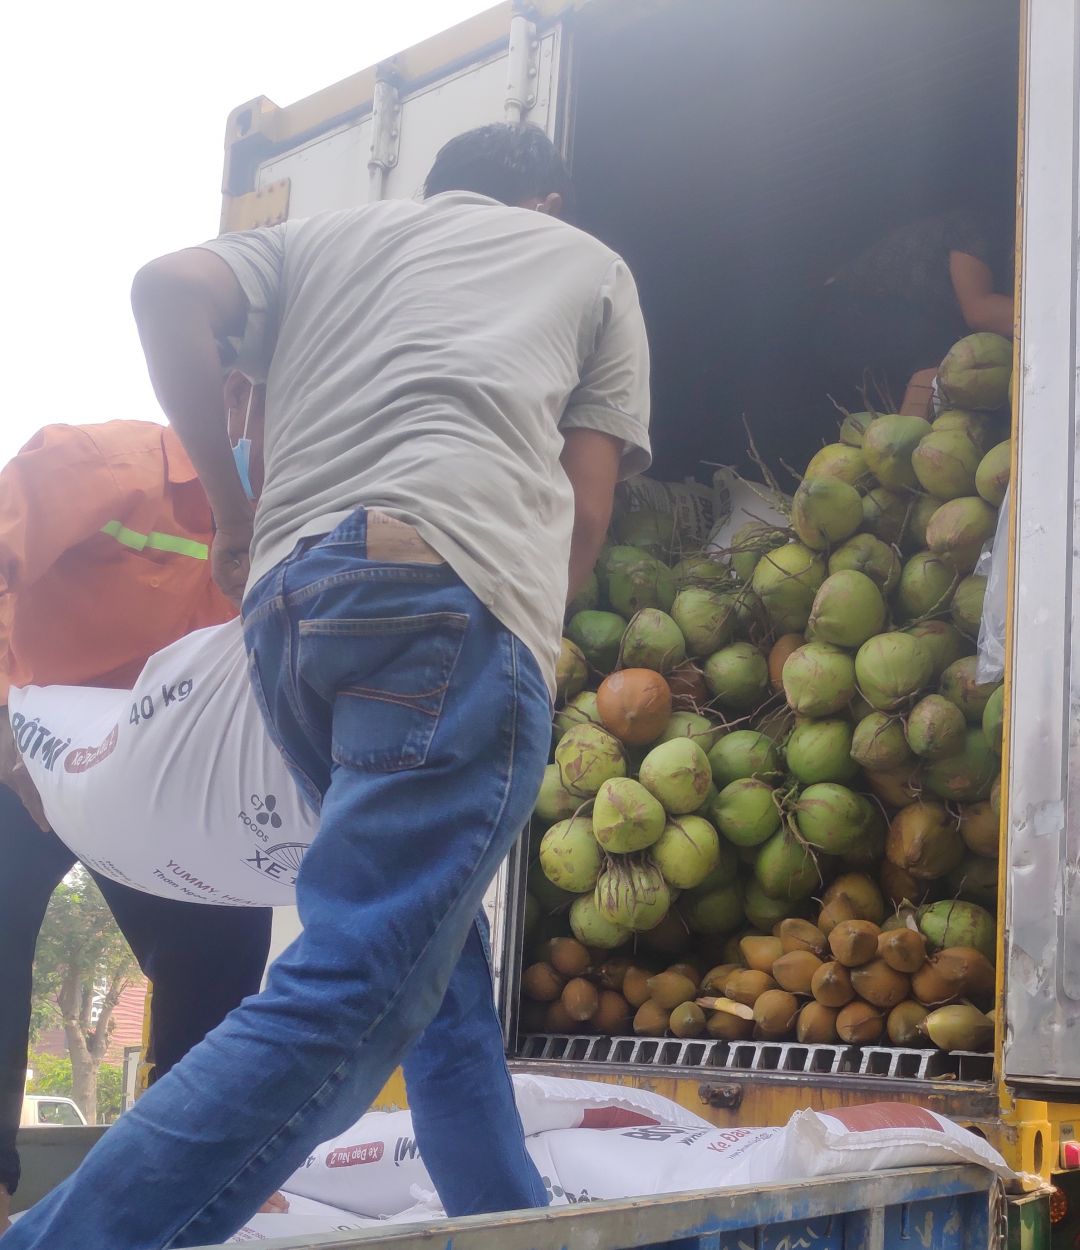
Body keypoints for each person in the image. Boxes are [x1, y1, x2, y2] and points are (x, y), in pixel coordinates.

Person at [0, 123, 651, 1248]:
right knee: (358, 978)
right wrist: (518, 637)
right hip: (444, 597)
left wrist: (236, 513)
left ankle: (506, 1223)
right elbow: (586, 511)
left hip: (294, 614)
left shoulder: (322, 240)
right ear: (544, 201)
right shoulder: (588, 263)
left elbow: (166, 289)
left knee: (433, 963)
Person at [0, 416, 274, 1232]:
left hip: (149, 774)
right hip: (22, 742)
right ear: (241, 399)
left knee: (225, 936)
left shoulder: (301, 528)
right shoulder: (98, 466)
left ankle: (183, 1179)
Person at [819, 207, 1015, 416]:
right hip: (852, 310)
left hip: (875, 327)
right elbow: (981, 312)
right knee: (952, 364)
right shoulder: (977, 227)